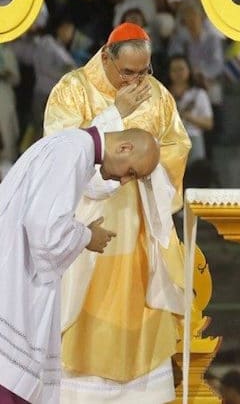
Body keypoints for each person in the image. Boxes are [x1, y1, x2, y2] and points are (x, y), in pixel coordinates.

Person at [43, 22, 190, 403]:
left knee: (143, 303)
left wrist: (146, 165)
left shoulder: (156, 94)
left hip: (141, 221)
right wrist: (114, 113)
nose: (137, 81)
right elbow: (60, 155)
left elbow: (176, 146)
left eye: (144, 71)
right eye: (128, 72)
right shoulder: (72, 90)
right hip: (87, 224)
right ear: (107, 57)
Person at [0, 127, 159, 404]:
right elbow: (45, 231)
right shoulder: (72, 152)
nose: (124, 181)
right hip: (15, 286)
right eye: (131, 172)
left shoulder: (72, 146)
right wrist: (87, 236)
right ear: (124, 148)